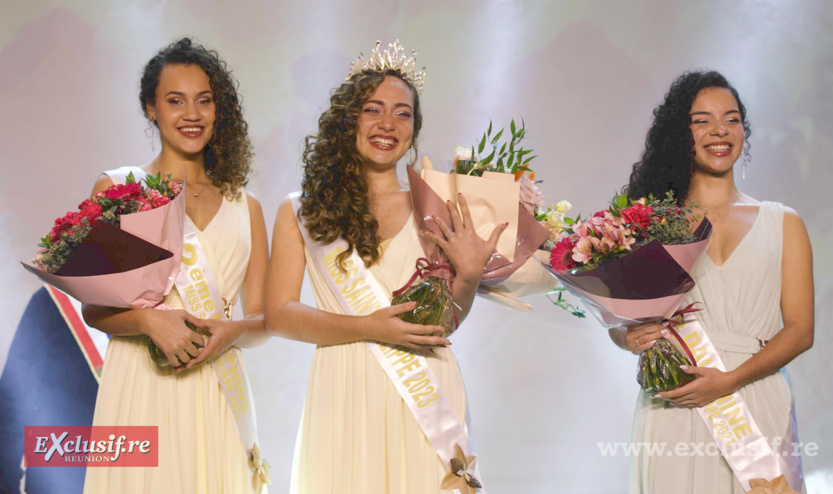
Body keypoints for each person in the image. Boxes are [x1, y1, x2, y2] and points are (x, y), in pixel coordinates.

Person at [264, 41, 505, 493]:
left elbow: (443, 320)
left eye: (403, 113)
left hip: (427, 386)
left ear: (414, 128)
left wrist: (469, 277)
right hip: (345, 387)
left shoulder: (437, 205)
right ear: (349, 119)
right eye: (373, 109)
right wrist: (369, 325)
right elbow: (278, 314)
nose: (387, 124)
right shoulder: (300, 210)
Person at [82, 38, 270, 493]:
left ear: (218, 109)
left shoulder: (248, 207)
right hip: (141, 385)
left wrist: (233, 332)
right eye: (175, 100)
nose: (192, 114)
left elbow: (264, 319)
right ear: (151, 108)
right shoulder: (118, 187)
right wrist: (150, 321)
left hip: (218, 389)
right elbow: (93, 310)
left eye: (204, 101)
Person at [611, 71, 814, 493]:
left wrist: (731, 380)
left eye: (732, 119)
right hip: (676, 399)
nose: (719, 131)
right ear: (679, 133)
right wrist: (626, 336)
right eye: (701, 120)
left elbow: (800, 330)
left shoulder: (783, 222)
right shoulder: (648, 224)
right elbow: (621, 321)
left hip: (755, 398)